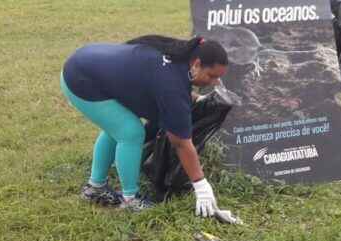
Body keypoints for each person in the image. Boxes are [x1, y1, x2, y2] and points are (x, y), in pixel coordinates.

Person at [60, 35, 229, 214]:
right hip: (81, 80)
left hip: (86, 60)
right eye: (212, 76)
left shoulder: (178, 55)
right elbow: (180, 142)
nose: (215, 82)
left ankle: (95, 188)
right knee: (130, 132)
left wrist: (198, 99)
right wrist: (200, 184)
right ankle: (130, 200)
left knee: (116, 128)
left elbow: (170, 87)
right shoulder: (172, 83)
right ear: (196, 64)